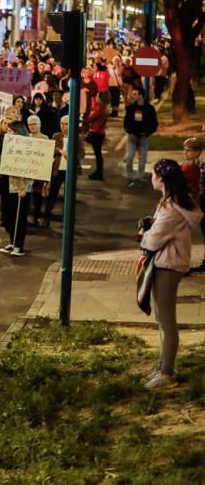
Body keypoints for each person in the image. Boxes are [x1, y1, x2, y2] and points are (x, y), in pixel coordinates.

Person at [138, 159, 203, 389]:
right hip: (167, 262)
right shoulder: (172, 203)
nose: (152, 178)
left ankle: (167, 373)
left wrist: (144, 234)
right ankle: (162, 368)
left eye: (155, 174)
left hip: (168, 265)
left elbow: (154, 240)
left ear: (163, 180)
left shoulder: (171, 208)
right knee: (162, 319)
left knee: (166, 321)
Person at [123, 86, 158, 187]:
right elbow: (126, 122)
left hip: (144, 136)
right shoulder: (131, 108)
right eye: (132, 94)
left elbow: (154, 123)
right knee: (129, 156)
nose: (133, 96)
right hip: (132, 136)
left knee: (142, 157)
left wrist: (148, 132)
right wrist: (129, 131)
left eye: (135, 94)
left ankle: (139, 176)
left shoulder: (150, 109)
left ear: (141, 95)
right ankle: (130, 176)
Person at [180, 138, 205, 274]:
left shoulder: (199, 167)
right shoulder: (188, 164)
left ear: (198, 152)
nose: (185, 153)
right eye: (185, 149)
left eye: (189, 150)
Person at [86, 91, 109, 180]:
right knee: (98, 153)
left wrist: (83, 120)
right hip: (100, 132)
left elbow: (90, 118)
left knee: (97, 153)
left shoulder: (100, 108)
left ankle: (99, 173)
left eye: (98, 97)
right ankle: (99, 172)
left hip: (96, 133)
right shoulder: (104, 108)